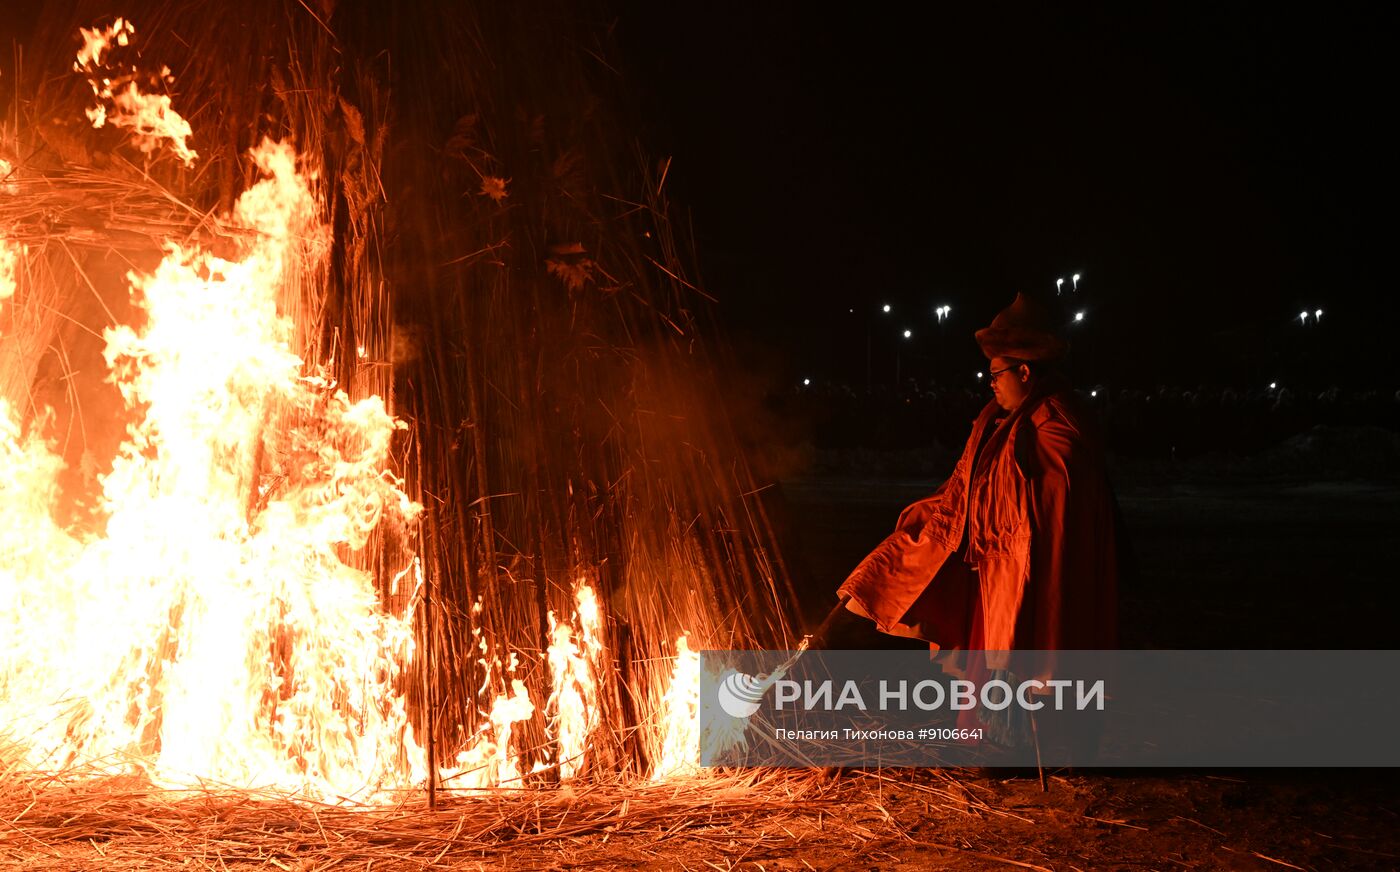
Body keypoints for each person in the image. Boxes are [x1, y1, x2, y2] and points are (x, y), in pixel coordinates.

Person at [836, 292, 1120, 759]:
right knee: (991, 661)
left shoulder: (1059, 423)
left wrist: (1009, 535)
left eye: (996, 375)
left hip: (1041, 575)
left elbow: (1057, 506)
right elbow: (967, 489)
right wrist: (932, 518)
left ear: (1025, 372)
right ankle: (993, 738)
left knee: (1036, 654)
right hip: (996, 569)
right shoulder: (996, 421)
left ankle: (1034, 745)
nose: (990, 384)